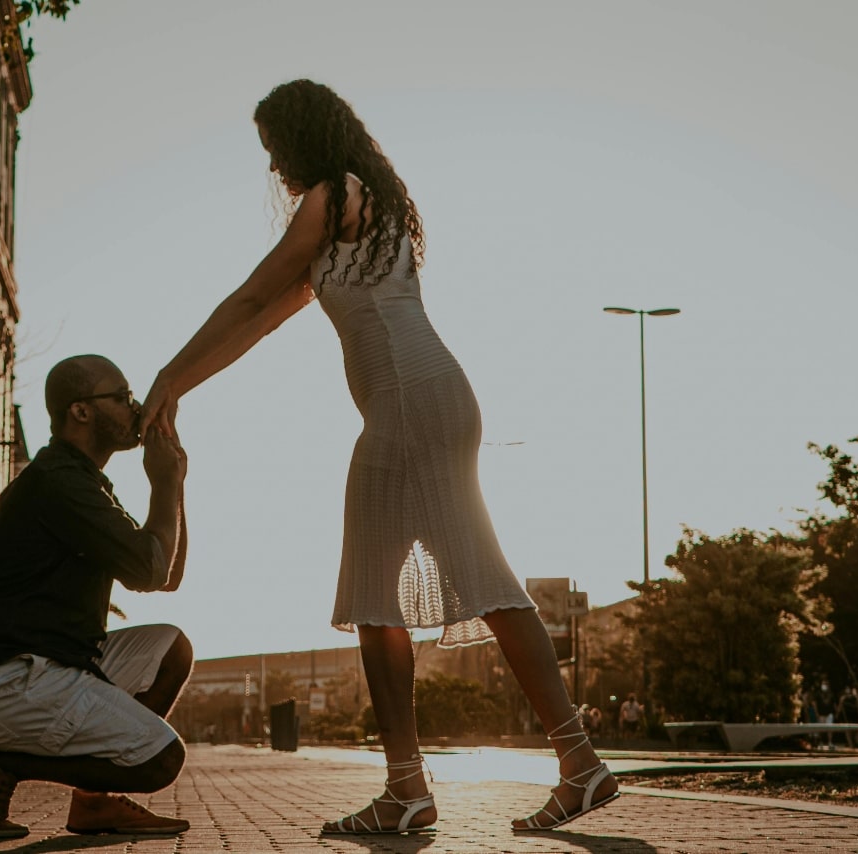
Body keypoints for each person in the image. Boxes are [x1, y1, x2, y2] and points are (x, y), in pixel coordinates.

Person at [140, 79, 617, 835]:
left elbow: (245, 299)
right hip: (428, 401)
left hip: (409, 407)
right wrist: (179, 390)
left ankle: (447, 783)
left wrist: (166, 378)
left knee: (402, 593)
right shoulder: (360, 214)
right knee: (429, 590)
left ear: (303, 138)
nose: (274, 167)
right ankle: (543, 767)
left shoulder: (334, 196)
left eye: (275, 149)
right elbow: (257, 323)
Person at [0, 355, 192, 839]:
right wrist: (163, 482)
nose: (135, 408)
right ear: (81, 411)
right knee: (159, 761)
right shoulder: (58, 483)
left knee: (170, 649)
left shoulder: (82, 482)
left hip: (55, 663)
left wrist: (174, 484)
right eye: (120, 397)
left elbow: (165, 575)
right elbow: (150, 569)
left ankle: (93, 806)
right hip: (4, 679)